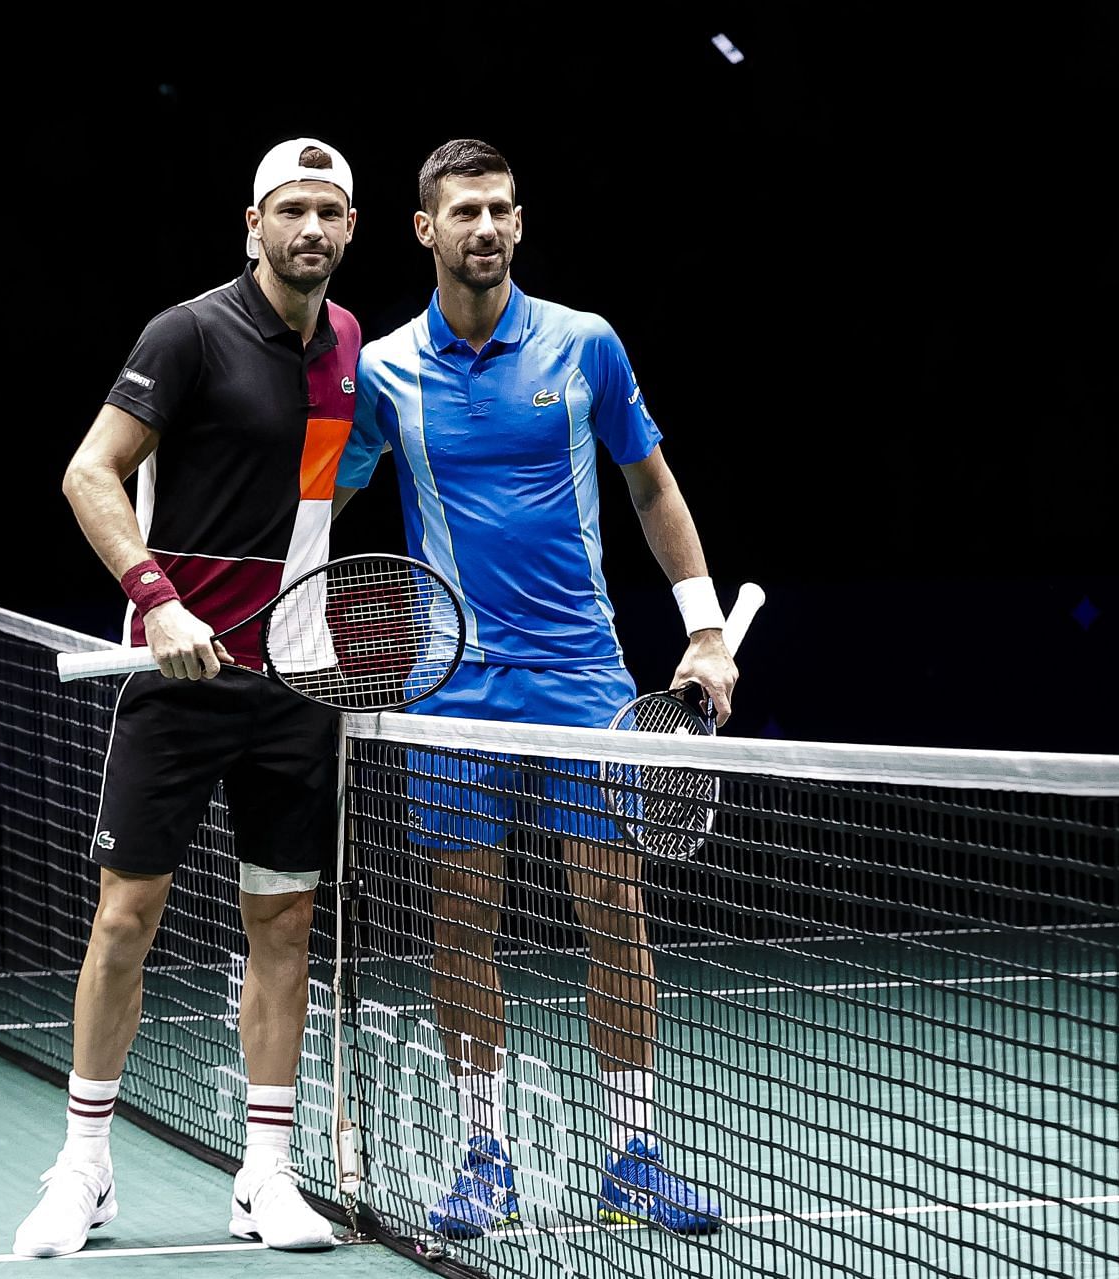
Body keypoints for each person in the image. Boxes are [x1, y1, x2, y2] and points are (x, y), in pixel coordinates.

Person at [333, 138, 737, 1239]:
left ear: (520, 221)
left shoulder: (584, 345)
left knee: (615, 909)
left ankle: (633, 1150)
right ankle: (482, 1153)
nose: (487, 229)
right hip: (452, 689)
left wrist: (704, 630)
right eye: (465, 211)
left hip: (581, 682)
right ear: (424, 229)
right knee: (463, 920)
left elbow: (650, 483)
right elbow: (324, 497)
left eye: (502, 210)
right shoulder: (387, 374)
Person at [12, 136, 363, 1259]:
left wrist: (307, 619)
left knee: (285, 921)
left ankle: (265, 1176)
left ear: (351, 229)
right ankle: (84, 1167)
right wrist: (159, 600)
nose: (311, 229)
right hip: (178, 678)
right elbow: (88, 472)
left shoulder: (349, 345)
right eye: (291, 210)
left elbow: (320, 497)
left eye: (330, 212)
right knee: (127, 915)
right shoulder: (191, 332)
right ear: (252, 223)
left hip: (296, 684)